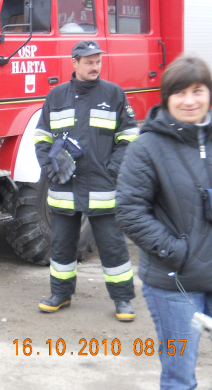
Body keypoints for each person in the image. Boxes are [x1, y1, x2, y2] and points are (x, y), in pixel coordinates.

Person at [116, 56, 212, 388]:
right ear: (166, 98)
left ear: (210, 93)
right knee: (179, 377)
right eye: (180, 93)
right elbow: (130, 211)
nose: (189, 101)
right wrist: (177, 252)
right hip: (175, 283)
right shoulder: (147, 147)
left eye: (197, 91)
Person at [33, 40, 137, 320]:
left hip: (101, 187)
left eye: (98, 61)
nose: (95, 66)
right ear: (74, 63)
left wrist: (112, 169)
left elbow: (129, 137)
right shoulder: (56, 96)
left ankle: (123, 299)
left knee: (112, 245)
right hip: (64, 187)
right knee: (62, 245)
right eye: (89, 62)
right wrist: (49, 167)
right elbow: (41, 137)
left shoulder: (113, 94)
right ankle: (60, 294)